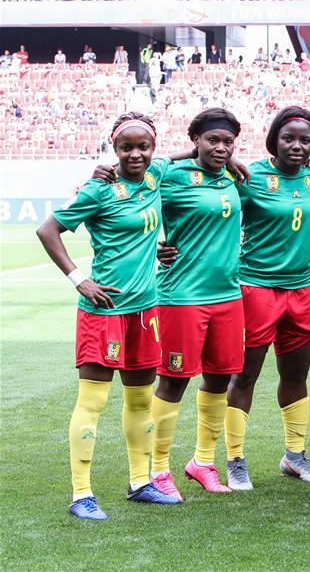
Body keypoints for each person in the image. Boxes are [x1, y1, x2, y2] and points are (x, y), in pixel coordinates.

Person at [36, 112, 181, 520]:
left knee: (139, 400)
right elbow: (48, 230)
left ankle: (141, 483)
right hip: (104, 310)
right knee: (93, 402)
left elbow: (192, 152)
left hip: (145, 309)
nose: (135, 155)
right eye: (126, 147)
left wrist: (232, 160)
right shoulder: (99, 189)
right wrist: (79, 279)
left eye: (143, 147)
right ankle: (81, 494)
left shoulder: (157, 175)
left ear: (154, 147)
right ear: (113, 149)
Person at [134, 109, 245, 498]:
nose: (220, 147)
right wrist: (154, 249)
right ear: (194, 139)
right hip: (182, 296)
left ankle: (202, 462)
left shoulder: (233, 177)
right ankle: (159, 469)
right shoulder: (171, 176)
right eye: (212, 140)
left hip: (228, 297)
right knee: (175, 380)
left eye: (227, 142)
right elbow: (133, 207)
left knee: (219, 379)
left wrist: (231, 161)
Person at [223, 108, 310, 489]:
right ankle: (235, 460)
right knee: (245, 375)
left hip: (303, 289)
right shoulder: (250, 177)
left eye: (305, 140)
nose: (296, 146)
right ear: (273, 139)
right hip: (256, 289)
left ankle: (294, 456)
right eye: (288, 138)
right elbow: (210, 205)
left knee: (296, 375)